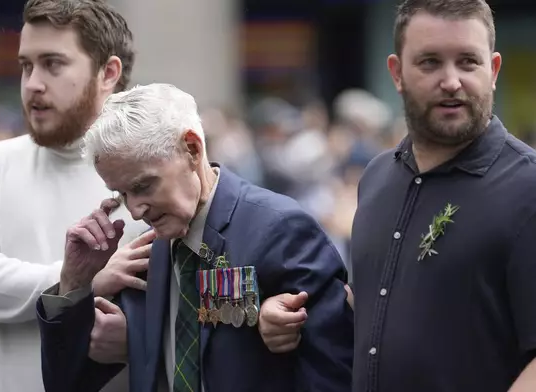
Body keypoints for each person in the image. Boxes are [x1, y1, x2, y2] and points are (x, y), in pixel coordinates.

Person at [258, 0, 536, 391]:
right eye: (430, 62)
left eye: (468, 62)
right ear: (397, 73)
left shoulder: (528, 187)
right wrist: (288, 319)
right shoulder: (377, 177)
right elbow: (369, 309)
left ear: (493, 70)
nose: (452, 80)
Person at [37, 83, 354, 392]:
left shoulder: (279, 228)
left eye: (144, 186)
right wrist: (74, 282)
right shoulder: (141, 256)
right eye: (121, 194)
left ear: (192, 148)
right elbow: (66, 381)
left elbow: (331, 371)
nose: (134, 210)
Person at [0, 1, 149, 391]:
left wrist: (140, 339)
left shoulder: (150, 176)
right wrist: (74, 280)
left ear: (108, 73)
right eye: (26, 66)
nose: (33, 83)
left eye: (53, 64)